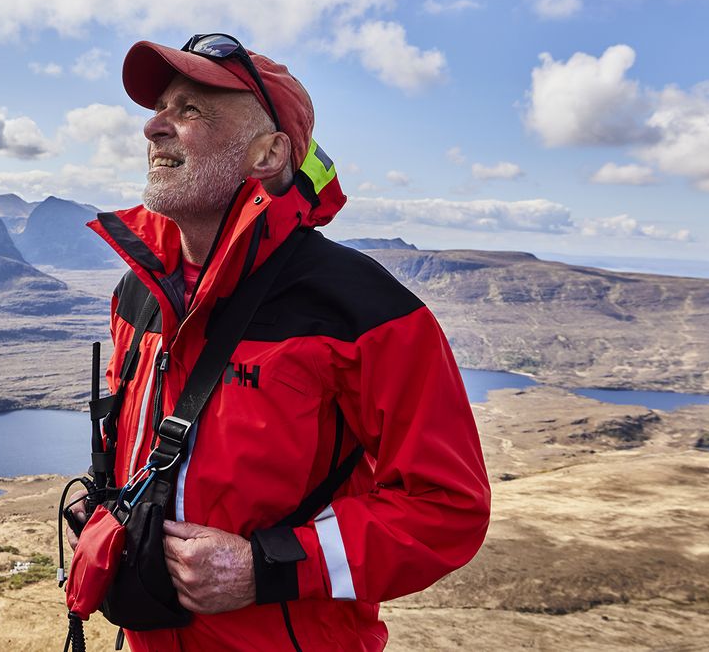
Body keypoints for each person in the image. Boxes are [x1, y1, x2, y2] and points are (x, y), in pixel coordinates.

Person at [70, 34, 491, 651]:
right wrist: (109, 510)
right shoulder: (136, 294)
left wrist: (266, 566)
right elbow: (144, 454)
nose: (154, 128)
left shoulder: (361, 311)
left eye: (190, 110)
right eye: (160, 108)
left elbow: (446, 509)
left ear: (268, 154)